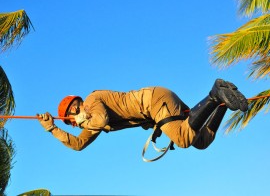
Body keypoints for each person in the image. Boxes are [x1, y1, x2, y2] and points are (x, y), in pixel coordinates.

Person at [38, 78, 248, 151]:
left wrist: (85, 117)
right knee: (201, 141)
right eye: (73, 120)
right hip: (157, 103)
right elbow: (78, 144)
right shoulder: (90, 122)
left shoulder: (93, 100)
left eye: (74, 113)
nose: (76, 118)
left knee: (183, 138)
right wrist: (52, 129)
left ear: (77, 106)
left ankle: (213, 95)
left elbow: (100, 119)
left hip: (154, 101)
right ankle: (221, 103)